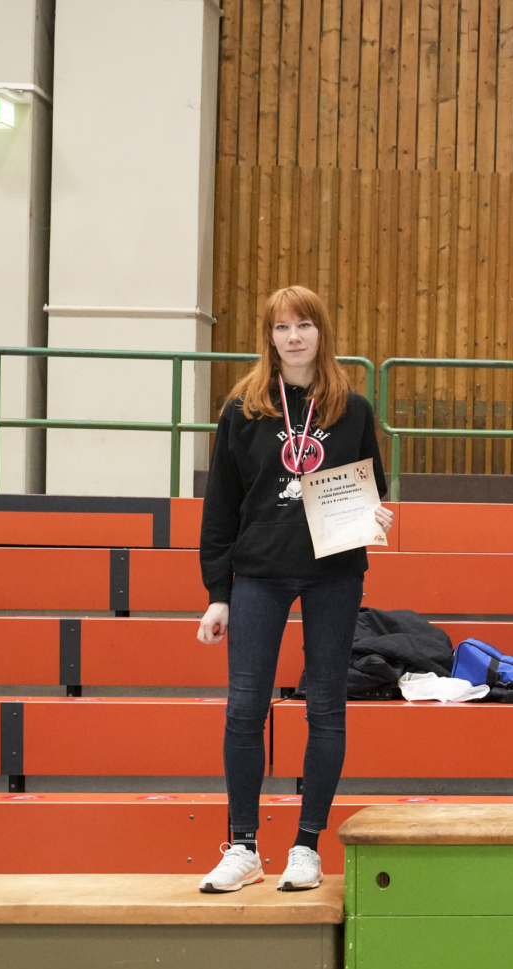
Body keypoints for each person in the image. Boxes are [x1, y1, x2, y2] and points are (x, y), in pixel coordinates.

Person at [196, 286, 395, 893]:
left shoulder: (352, 409)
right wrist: (218, 592)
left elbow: (373, 486)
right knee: (244, 708)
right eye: (282, 327)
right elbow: (220, 506)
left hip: (334, 571)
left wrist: (376, 513)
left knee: (326, 707)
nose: (294, 337)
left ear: (321, 333)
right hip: (258, 572)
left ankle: (306, 846)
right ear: (269, 337)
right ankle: (243, 847)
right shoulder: (243, 410)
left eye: (304, 325)